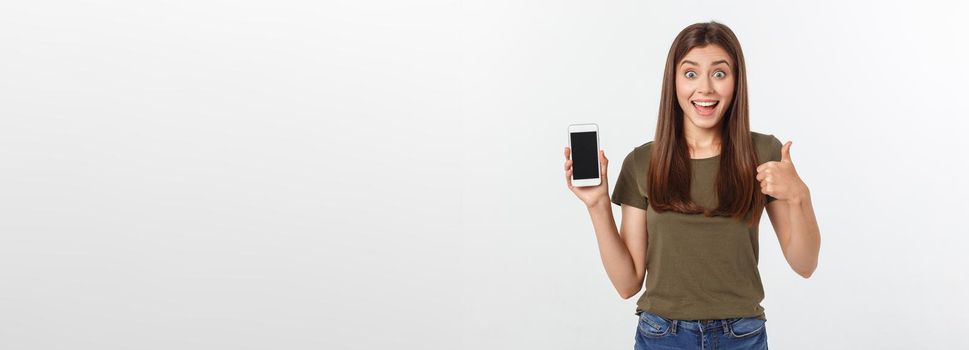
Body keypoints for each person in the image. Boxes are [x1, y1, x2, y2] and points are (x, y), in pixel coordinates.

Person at [563, 22, 821, 349]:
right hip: (661, 336)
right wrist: (597, 205)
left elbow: (805, 263)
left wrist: (799, 194)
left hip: (741, 335)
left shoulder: (764, 153)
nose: (705, 89)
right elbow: (627, 284)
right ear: (673, 82)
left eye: (719, 73)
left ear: (736, 81)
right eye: (690, 74)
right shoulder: (642, 163)